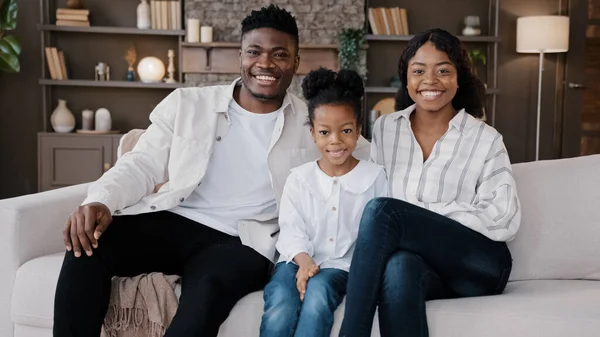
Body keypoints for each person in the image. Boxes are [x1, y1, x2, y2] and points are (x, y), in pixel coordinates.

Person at [53, 5, 370, 337]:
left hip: (243, 241)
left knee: (206, 295)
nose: (265, 63)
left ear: (295, 61)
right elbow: (142, 164)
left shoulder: (314, 120)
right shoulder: (188, 104)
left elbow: (366, 156)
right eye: (255, 52)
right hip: (175, 218)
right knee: (89, 245)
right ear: (240, 56)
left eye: (279, 54)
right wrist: (101, 201)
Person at [338, 28, 521, 337]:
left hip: (480, 266)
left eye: (443, 71)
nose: (430, 80)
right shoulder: (385, 130)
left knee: (384, 211)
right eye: (419, 71)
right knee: (398, 268)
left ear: (458, 78)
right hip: (423, 268)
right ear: (406, 79)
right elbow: (366, 194)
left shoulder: (485, 138)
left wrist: (423, 219)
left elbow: (504, 217)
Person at [259, 67, 388, 337]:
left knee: (317, 295)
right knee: (281, 300)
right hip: (295, 260)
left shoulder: (376, 178)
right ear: (313, 134)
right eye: (325, 132)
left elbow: (377, 236)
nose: (336, 141)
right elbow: (291, 229)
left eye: (346, 130)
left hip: (341, 266)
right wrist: (304, 262)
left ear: (358, 130)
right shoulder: (300, 178)